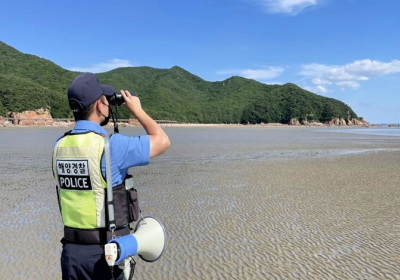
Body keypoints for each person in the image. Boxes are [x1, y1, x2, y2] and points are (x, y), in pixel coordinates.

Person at [52, 72, 170, 280]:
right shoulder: (111, 147)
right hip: (105, 255)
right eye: (106, 100)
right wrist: (137, 110)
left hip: (71, 255)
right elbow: (162, 141)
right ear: (99, 105)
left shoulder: (59, 146)